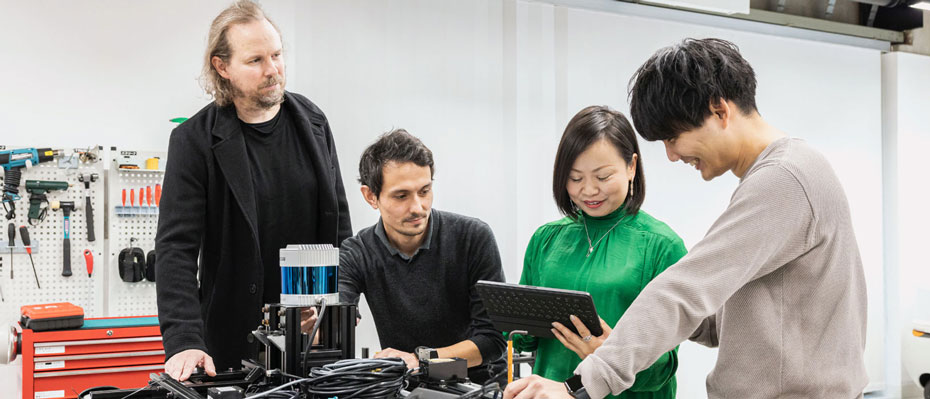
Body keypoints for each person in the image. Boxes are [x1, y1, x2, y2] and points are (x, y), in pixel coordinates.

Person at [505, 38, 867, 399]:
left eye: (673, 137)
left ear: (719, 111)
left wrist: (579, 386)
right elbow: (718, 321)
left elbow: (685, 290)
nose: (672, 155)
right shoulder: (782, 174)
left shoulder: (784, 179)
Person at [155, 0, 351, 382]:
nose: (273, 70)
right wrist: (184, 339)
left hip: (313, 337)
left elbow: (340, 225)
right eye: (255, 60)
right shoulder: (193, 141)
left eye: (277, 55)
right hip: (231, 341)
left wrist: (340, 304)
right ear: (222, 66)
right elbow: (175, 249)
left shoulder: (312, 122)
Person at [514, 106, 685, 399]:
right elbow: (525, 342)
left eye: (603, 177)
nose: (589, 190)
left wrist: (611, 356)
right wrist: (519, 328)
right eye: (575, 178)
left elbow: (664, 367)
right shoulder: (546, 239)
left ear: (631, 167)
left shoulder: (662, 246)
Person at [338, 129, 507, 383]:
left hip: (476, 385)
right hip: (407, 386)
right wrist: (321, 325)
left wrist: (421, 360)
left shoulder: (473, 237)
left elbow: (493, 341)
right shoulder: (357, 252)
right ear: (371, 196)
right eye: (401, 196)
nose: (417, 207)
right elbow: (337, 314)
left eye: (424, 191)